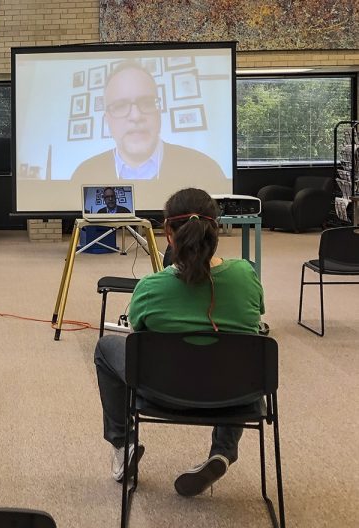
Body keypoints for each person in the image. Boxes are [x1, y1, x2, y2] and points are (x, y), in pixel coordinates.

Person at [94, 188, 264, 496]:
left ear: (168, 234)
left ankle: (124, 444)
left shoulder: (150, 288)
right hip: (235, 396)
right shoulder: (245, 276)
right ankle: (223, 452)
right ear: (216, 230)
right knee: (245, 355)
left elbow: (138, 331)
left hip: (162, 393)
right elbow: (255, 322)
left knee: (106, 348)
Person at [71, 61, 226, 187]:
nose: (136, 116)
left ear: (159, 113)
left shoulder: (205, 169)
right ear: (107, 121)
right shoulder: (83, 175)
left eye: (146, 103)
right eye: (120, 106)